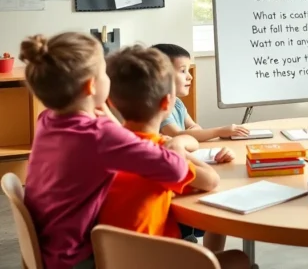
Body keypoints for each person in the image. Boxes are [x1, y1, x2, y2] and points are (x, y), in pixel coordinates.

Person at [19, 33, 189, 269]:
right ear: (91, 86)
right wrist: (176, 144)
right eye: (104, 73)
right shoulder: (98, 134)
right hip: (76, 259)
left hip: (49, 249)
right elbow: (175, 170)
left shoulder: (47, 120)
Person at [99, 45, 248, 269]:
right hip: (157, 260)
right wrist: (178, 149)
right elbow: (211, 180)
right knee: (239, 259)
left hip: (111, 259)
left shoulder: (104, 146)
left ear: (111, 102)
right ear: (167, 102)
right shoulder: (161, 154)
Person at [152, 43, 249, 141]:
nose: (190, 77)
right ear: (162, 75)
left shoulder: (177, 103)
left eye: (188, 70)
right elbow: (176, 135)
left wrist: (190, 133)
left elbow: (195, 127)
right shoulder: (159, 107)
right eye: (183, 71)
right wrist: (219, 131)